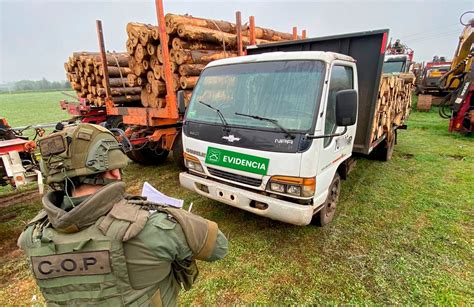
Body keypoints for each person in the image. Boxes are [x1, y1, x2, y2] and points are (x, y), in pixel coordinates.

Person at [17, 123, 228, 306]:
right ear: (113, 172)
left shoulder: (31, 238)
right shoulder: (153, 228)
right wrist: (174, 215)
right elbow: (218, 247)